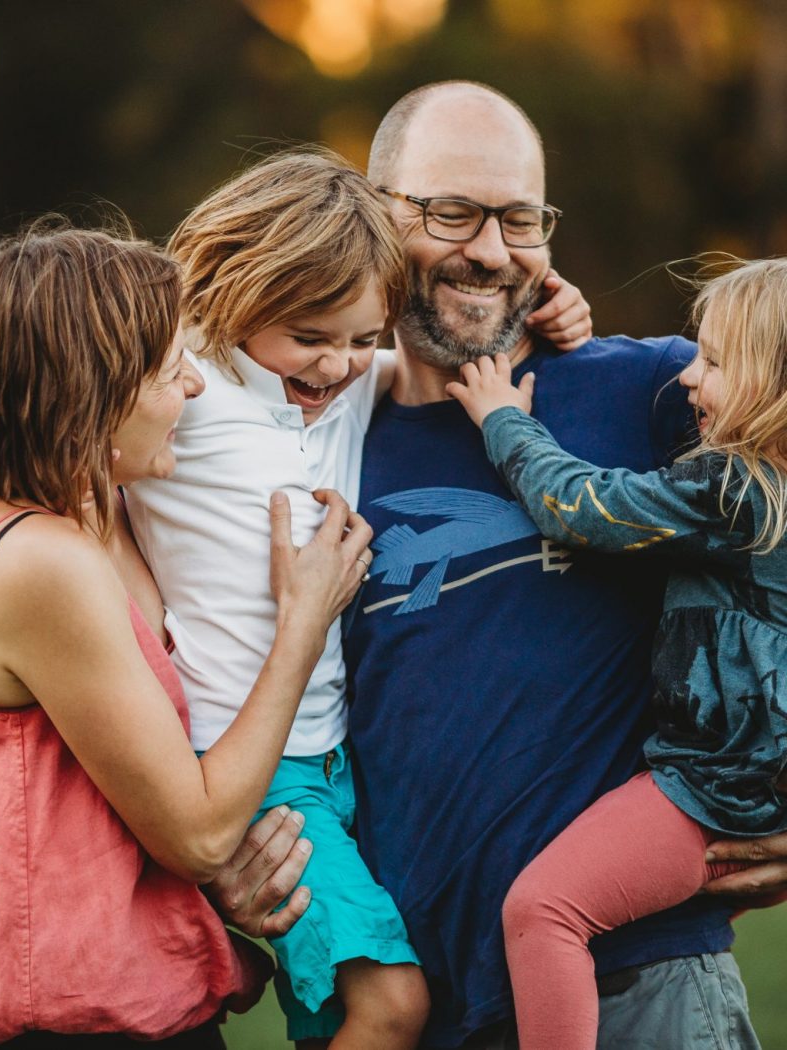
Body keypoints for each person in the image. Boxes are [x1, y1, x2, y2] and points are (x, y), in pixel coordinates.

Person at [341, 80, 779, 1050]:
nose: (490, 250)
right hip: (420, 1012)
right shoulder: (318, 438)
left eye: (517, 218)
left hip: (646, 993)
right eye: (452, 211)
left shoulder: (653, 394)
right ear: (374, 217)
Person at [126, 148, 589, 1049]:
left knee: (337, 1015)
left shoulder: (342, 385)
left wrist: (554, 302)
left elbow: (425, 361)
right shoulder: (183, 388)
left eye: (359, 337)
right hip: (249, 769)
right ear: (234, 294)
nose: (337, 364)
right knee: (392, 1004)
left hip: (338, 762)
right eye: (311, 336)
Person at [0, 221, 370, 1047]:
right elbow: (197, 832)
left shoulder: (101, 516)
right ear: (95, 387)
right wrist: (301, 624)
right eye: (169, 368)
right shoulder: (35, 562)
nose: (196, 386)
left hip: (145, 997)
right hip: (73, 1021)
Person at [447, 254, 787, 1049]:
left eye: (715, 361)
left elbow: (584, 508)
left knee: (544, 910)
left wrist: (505, 420)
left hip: (707, 792)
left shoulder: (742, 494)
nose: (690, 380)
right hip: (742, 787)